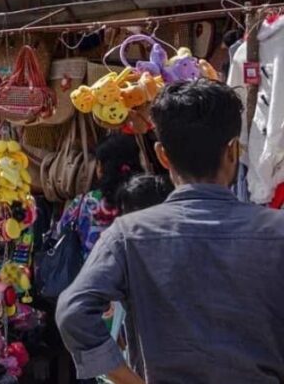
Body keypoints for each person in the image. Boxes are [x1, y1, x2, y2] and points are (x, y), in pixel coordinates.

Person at [57, 79, 284, 384]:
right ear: (233, 151)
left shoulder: (128, 234)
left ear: (163, 156)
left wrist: (128, 380)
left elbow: (74, 312)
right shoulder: (276, 231)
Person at [55, 133, 143, 258]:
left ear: (100, 168)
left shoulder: (85, 203)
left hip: (89, 273)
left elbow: (60, 232)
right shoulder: (146, 201)